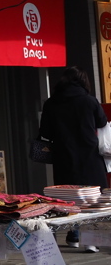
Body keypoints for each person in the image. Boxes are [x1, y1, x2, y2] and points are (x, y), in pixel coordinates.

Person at [39, 66, 108, 253]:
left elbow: (45, 132)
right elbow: (102, 122)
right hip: (90, 156)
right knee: (92, 198)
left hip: (64, 157)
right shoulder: (89, 101)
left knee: (68, 199)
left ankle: (73, 235)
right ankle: (90, 240)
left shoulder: (51, 103)